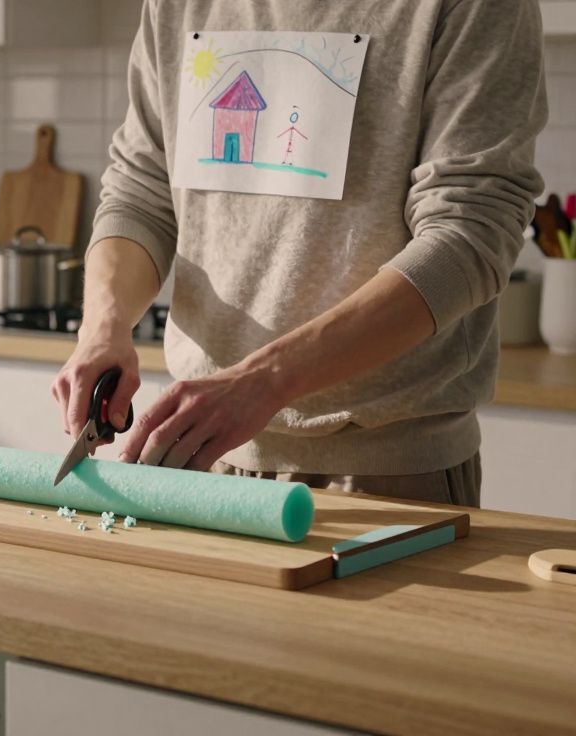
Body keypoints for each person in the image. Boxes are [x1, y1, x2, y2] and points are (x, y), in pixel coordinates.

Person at [52, 1, 547, 506]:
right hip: (199, 454)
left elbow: (468, 235)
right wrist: (103, 326)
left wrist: (263, 381)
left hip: (385, 474)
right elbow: (141, 196)